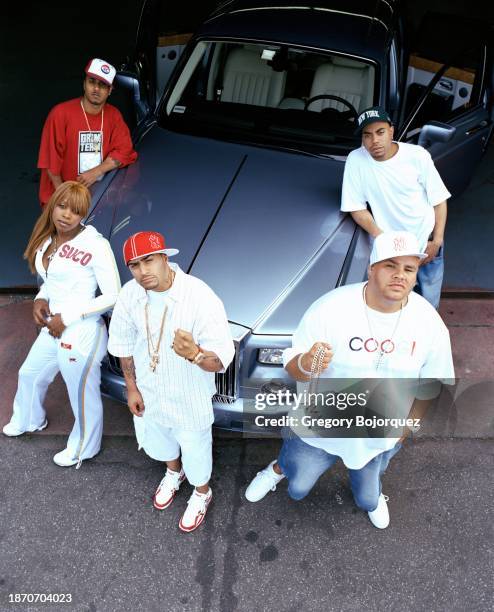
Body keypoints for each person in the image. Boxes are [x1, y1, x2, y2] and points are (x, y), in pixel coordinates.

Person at [245, 231, 455, 529]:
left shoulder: (428, 322)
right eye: (390, 266)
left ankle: (375, 492)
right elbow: (294, 368)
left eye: (409, 269)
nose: (400, 276)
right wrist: (306, 363)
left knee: (368, 499)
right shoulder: (330, 308)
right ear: (372, 268)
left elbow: (431, 383)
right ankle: (278, 469)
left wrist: (408, 427)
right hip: (320, 424)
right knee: (298, 486)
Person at [107, 231, 234, 532]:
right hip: (149, 389)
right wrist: (131, 387)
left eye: (149, 260)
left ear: (165, 258)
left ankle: (202, 492)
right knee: (159, 437)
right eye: (134, 265)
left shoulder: (199, 295)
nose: (143, 271)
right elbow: (124, 346)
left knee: (195, 446)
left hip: (188, 392)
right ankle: (173, 473)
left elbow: (221, 359)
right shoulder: (130, 294)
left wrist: (196, 355)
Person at [3, 181, 121, 468]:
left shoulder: (95, 244)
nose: (67, 215)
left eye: (76, 211)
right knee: (30, 373)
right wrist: (40, 299)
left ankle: (83, 447)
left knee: (80, 391)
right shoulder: (48, 239)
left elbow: (114, 294)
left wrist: (67, 318)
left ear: (84, 215)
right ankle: (29, 419)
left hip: (81, 330)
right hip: (53, 325)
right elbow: (52, 281)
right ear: (53, 205)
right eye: (62, 206)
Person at [341, 106, 451, 308]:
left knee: (427, 306)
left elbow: (439, 200)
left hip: (425, 244)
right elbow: (355, 207)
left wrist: (437, 240)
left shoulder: (417, 155)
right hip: (390, 250)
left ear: (391, 131)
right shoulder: (356, 160)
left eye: (380, 132)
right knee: (388, 304)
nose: (374, 141)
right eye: (367, 135)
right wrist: (382, 237)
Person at [37, 58, 137, 207]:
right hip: (61, 197)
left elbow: (124, 151)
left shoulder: (114, 116)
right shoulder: (60, 113)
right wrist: (65, 200)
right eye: (92, 82)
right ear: (84, 84)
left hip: (98, 198)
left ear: (110, 91)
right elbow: (51, 162)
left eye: (102, 85)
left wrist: (96, 172)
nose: (96, 89)